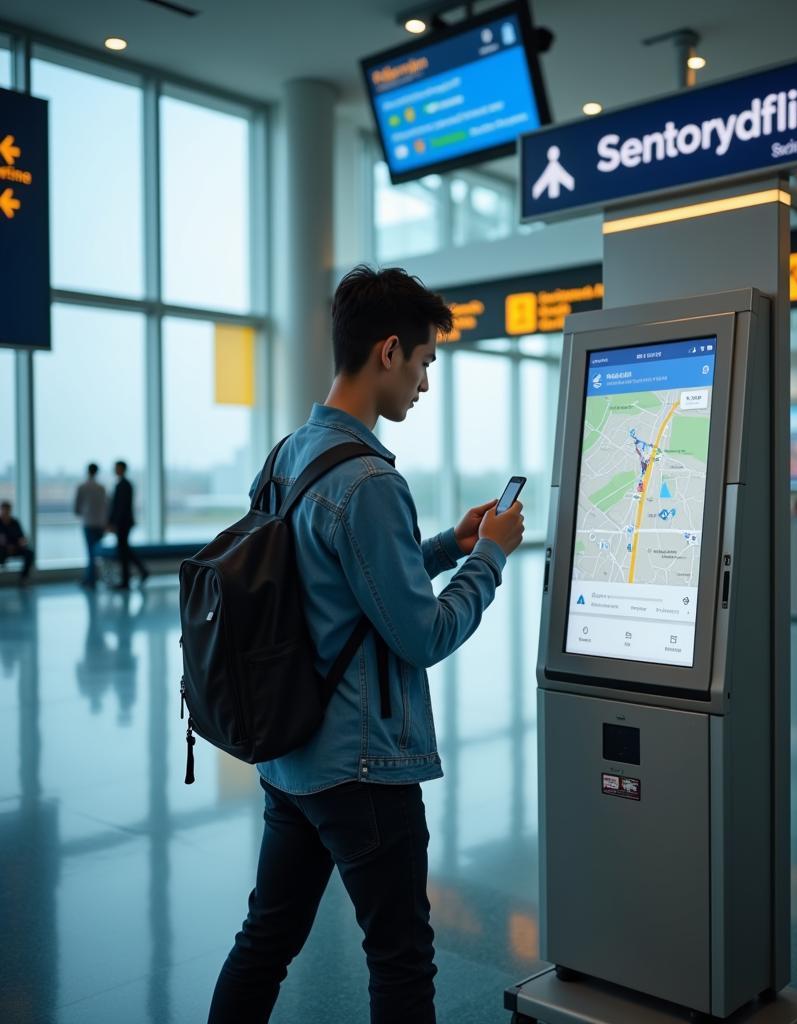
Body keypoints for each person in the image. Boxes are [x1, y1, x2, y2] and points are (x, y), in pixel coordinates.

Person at [207, 266, 524, 1024]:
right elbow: (424, 633)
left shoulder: (290, 454)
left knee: (266, 938)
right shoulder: (370, 482)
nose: (423, 383)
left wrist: (451, 540)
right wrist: (492, 558)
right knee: (401, 959)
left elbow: (340, 585)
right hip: (363, 766)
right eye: (423, 363)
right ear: (389, 352)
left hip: (291, 753)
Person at [108, 461, 148, 590]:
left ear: (122, 469)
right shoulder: (124, 484)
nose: (115, 470)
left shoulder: (123, 485)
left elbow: (120, 507)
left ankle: (126, 580)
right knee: (125, 549)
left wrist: (113, 523)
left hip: (122, 523)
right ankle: (141, 572)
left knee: (123, 551)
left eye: (117, 468)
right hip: (124, 522)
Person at [74, 463, 108, 588]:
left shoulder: (82, 487)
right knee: (96, 552)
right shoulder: (101, 488)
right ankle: (93, 578)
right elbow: (106, 505)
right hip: (100, 523)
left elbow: (77, 507)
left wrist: (80, 513)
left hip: (88, 523)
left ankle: (90, 579)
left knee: (90, 552)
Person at [0, 500, 34, 584]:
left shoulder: (15, 522)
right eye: (4, 510)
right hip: (2, 549)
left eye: (8, 510)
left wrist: (22, 542)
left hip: (15, 548)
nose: (6, 512)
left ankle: (23, 578)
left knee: (29, 553)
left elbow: (21, 537)